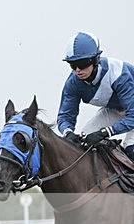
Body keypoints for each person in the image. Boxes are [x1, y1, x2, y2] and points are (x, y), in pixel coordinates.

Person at [57, 32, 134, 161]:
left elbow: (132, 116)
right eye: (72, 65)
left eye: (82, 64)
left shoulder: (119, 74)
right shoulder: (73, 83)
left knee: (130, 147)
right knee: (82, 144)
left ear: (95, 60)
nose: (77, 70)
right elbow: (65, 116)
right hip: (115, 109)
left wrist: (106, 132)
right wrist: (68, 132)